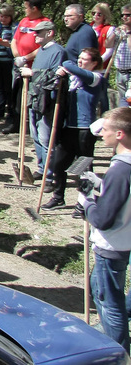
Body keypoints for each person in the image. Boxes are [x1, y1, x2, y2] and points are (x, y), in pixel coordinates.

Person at [78, 108, 131, 351]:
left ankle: (117, 349)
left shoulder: (120, 169)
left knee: (110, 302)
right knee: (100, 289)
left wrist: (86, 203)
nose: (102, 135)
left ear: (119, 134)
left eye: (106, 130)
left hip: (112, 245)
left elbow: (104, 219)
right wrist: (102, 185)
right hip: (124, 240)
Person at [43, 48, 104, 209]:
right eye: (80, 58)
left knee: (84, 168)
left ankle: (84, 202)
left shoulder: (95, 78)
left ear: (94, 63)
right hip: (68, 127)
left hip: (85, 129)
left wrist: (66, 66)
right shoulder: (73, 80)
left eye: (85, 59)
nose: (80, 61)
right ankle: (58, 197)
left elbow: (68, 64)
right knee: (58, 164)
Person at [19, 20, 66, 180]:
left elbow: (54, 78)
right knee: (36, 136)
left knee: (46, 138)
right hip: (35, 98)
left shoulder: (58, 51)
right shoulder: (41, 51)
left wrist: (31, 73)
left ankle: (50, 173)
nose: (35, 35)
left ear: (49, 33)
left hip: (48, 102)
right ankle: (41, 167)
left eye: (38, 32)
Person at [6, 0, 51, 134]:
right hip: (19, 64)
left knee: (32, 97)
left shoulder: (45, 23)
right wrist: (18, 57)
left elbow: (44, 45)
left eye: (26, 7)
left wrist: (26, 58)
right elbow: (15, 40)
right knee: (16, 94)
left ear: (34, 8)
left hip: (34, 66)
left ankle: (33, 126)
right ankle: (15, 122)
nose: (24, 10)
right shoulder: (24, 21)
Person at [0, 4, 18, 122]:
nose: (3, 19)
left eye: (6, 16)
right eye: (1, 16)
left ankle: (10, 110)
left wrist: (8, 44)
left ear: (10, 17)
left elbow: (16, 43)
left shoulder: (15, 28)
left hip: (8, 61)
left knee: (8, 87)